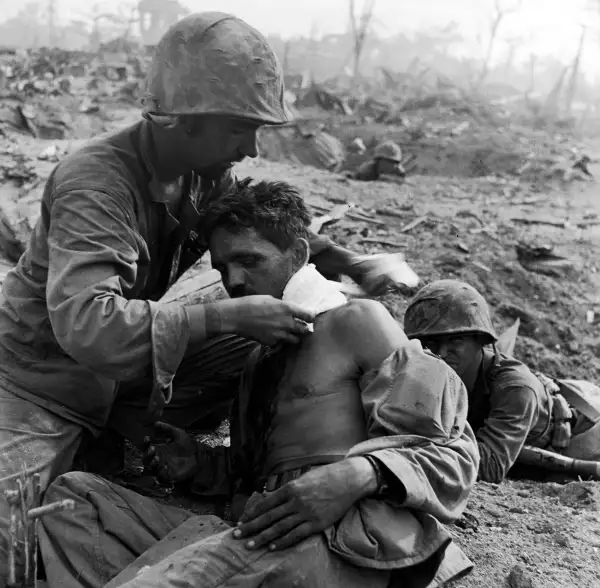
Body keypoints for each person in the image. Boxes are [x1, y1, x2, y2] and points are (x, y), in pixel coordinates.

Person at [0, 12, 400, 585]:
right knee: (11, 540)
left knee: (287, 319)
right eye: (240, 128)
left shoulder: (201, 173)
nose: (254, 146)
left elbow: (260, 230)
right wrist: (223, 316)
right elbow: (88, 328)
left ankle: (179, 450)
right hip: (40, 383)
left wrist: (345, 261)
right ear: (185, 121)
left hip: (125, 372)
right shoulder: (97, 183)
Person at [39, 179, 479, 588]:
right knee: (75, 502)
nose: (234, 281)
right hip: (257, 531)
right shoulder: (257, 358)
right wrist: (196, 462)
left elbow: (452, 448)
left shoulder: (356, 322)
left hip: (341, 540)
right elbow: (253, 476)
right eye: (223, 267)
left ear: (298, 253)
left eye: (250, 260)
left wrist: (356, 475)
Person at [403, 279, 600, 483]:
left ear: (481, 340)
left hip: (583, 433)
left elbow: (489, 467)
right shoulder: (430, 367)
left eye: (456, 340)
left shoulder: (514, 389)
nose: (442, 352)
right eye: (432, 341)